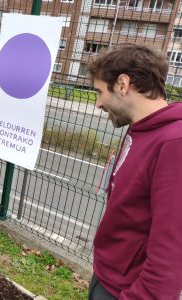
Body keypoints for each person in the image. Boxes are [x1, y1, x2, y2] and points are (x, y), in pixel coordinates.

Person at [88, 43, 182, 299]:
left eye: (99, 92)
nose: (98, 103)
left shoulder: (174, 143)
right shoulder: (141, 128)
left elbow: (171, 252)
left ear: (122, 84)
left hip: (126, 291)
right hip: (109, 277)